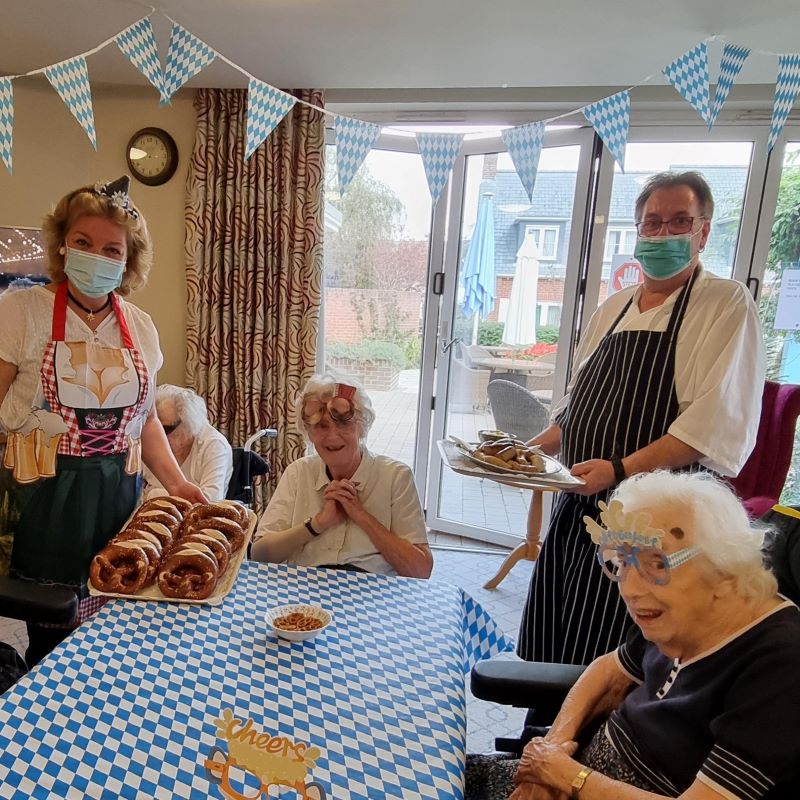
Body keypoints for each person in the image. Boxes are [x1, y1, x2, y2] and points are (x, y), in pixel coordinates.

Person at [518, 171, 765, 666]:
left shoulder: (723, 304)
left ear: (704, 231)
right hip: (582, 506)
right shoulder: (613, 307)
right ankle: (544, 735)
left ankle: (596, 745)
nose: (662, 234)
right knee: (560, 634)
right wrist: (528, 450)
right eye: (651, 223)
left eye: (679, 222)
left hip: (655, 529)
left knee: (618, 654)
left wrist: (621, 470)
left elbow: (706, 427)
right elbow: (578, 404)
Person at [466, 471, 800, 800]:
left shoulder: (780, 664)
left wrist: (566, 776)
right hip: (574, 766)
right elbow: (609, 671)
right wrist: (550, 755)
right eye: (622, 561)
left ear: (724, 568)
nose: (630, 588)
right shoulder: (679, 614)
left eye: (659, 564)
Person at [0, 176, 206, 666]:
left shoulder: (140, 326)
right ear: (62, 244)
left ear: (128, 259)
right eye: (83, 242)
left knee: (117, 632)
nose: (98, 256)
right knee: (54, 635)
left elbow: (147, 421)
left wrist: (178, 484)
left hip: (119, 498)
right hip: (42, 499)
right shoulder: (20, 312)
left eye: (112, 249)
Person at [251, 375, 432, 578]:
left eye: (344, 424)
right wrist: (318, 523)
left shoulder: (396, 477)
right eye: (321, 426)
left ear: (362, 426)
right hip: (303, 588)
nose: (332, 436)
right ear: (308, 432)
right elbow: (259, 555)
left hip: (372, 595)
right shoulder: (298, 472)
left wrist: (360, 514)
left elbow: (420, 570)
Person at [142, 384, 233, 502]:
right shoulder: (150, 441)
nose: (159, 435)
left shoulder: (214, 445)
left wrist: (153, 493)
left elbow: (210, 500)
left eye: (165, 429)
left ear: (188, 424)